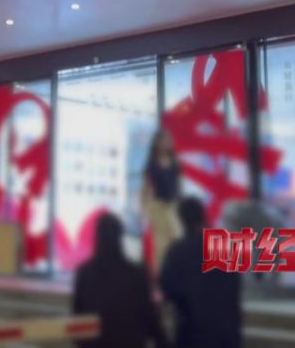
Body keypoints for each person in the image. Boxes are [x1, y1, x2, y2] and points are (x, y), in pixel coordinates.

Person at [73, 212, 170, 348]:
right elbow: (151, 320)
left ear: (97, 238)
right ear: (120, 238)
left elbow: (78, 321)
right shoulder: (138, 275)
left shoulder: (85, 274)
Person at [160, 196, 242, 348]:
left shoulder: (177, 251)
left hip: (192, 334)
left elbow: (168, 290)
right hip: (226, 336)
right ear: (203, 216)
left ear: (182, 220)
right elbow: (235, 289)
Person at [143, 128, 182, 274]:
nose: (167, 143)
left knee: (177, 239)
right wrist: (146, 210)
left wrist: (180, 204)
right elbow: (147, 188)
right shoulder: (152, 164)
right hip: (158, 206)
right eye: (164, 140)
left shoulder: (175, 163)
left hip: (173, 206)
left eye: (169, 140)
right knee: (160, 245)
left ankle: (177, 273)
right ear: (157, 143)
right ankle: (158, 275)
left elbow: (179, 186)